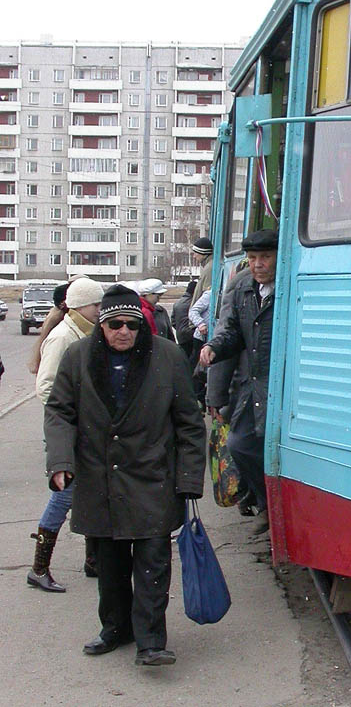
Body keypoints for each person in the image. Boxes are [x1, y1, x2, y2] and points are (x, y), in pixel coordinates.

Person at [44, 284, 206, 666]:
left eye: (132, 325)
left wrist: (188, 480)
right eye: (115, 324)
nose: (124, 332)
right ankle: (115, 629)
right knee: (110, 566)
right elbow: (59, 412)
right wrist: (60, 463)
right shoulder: (77, 356)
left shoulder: (167, 357)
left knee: (153, 563)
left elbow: (189, 424)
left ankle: (151, 640)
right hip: (99, 479)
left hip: (152, 478)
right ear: (101, 324)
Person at [27, 277, 105, 592]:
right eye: (96, 305)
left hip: (84, 430)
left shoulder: (84, 332)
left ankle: (93, 561)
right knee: (65, 494)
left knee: (92, 490)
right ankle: (38, 567)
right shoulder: (63, 337)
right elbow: (46, 387)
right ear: (78, 306)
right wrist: (70, 418)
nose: (100, 311)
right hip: (68, 432)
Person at [199, 230, 277, 534]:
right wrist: (215, 348)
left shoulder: (292, 285)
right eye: (253, 258)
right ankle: (265, 501)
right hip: (252, 387)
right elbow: (229, 330)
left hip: (281, 388)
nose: (258, 264)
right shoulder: (241, 287)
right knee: (240, 444)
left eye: (265, 257)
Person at [171, 279, 197, 359]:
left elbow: (173, 321)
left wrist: (180, 328)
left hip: (180, 336)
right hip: (191, 335)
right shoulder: (194, 303)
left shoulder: (177, 303)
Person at [191, 236, 214, 303]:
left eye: (195, 253)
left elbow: (205, 298)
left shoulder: (209, 269)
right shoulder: (209, 266)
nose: (194, 256)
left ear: (203, 253)